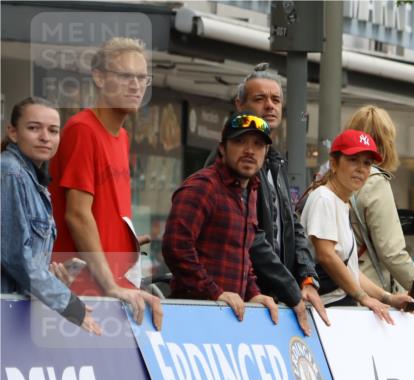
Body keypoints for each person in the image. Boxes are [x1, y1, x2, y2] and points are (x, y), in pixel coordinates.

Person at [207, 64, 330, 335]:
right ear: (239, 104)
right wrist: (290, 287)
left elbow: (293, 225)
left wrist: (307, 277)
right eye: (259, 99)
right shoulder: (229, 162)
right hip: (241, 300)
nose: (270, 106)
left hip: (276, 300)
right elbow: (251, 234)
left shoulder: (274, 160)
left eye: (276, 99)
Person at [49, 37, 162, 329]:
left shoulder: (122, 137)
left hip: (112, 290)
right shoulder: (83, 129)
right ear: (98, 77)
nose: (136, 85)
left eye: (142, 78)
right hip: (83, 293)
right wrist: (111, 284)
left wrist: (124, 241)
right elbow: (77, 214)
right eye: (125, 76)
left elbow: (101, 214)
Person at [162, 114, 279, 324]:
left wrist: (253, 293)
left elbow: (241, 254)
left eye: (258, 144)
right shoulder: (203, 186)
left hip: (228, 319)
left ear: (266, 152)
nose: (250, 151)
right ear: (222, 148)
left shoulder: (251, 190)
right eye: (240, 141)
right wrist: (214, 292)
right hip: (193, 317)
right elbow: (176, 248)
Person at [345, 105, 414, 324]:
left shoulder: (332, 178)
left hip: (337, 288)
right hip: (370, 296)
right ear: (387, 144)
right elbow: (392, 252)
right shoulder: (375, 181)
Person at [1, 97, 100, 334]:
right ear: (13, 133)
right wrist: (68, 303)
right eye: (34, 128)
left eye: (53, 130)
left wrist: (53, 279)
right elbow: (16, 257)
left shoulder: (33, 180)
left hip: (14, 314)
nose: (45, 137)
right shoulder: (10, 172)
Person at [300, 129, 414, 323]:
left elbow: (351, 269)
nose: (361, 169)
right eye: (353, 160)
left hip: (336, 308)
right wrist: (362, 297)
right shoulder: (323, 198)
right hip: (321, 310)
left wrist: (388, 298)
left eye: (367, 163)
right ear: (334, 163)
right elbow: (326, 255)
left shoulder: (341, 202)